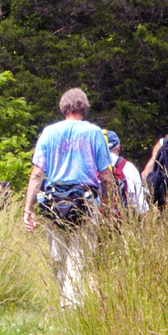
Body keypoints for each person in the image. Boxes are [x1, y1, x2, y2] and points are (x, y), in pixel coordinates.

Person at [22, 87, 111, 308]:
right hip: (86, 201)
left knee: (58, 258)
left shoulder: (49, 133)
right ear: (84, 107)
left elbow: (36, 173)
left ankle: (67, 304)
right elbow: (106, 176)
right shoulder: (94, 133)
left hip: (54, 202)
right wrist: (107, 204)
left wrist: (28, 208)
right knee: (79, 257)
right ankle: (71, 307)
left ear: (64, 107)